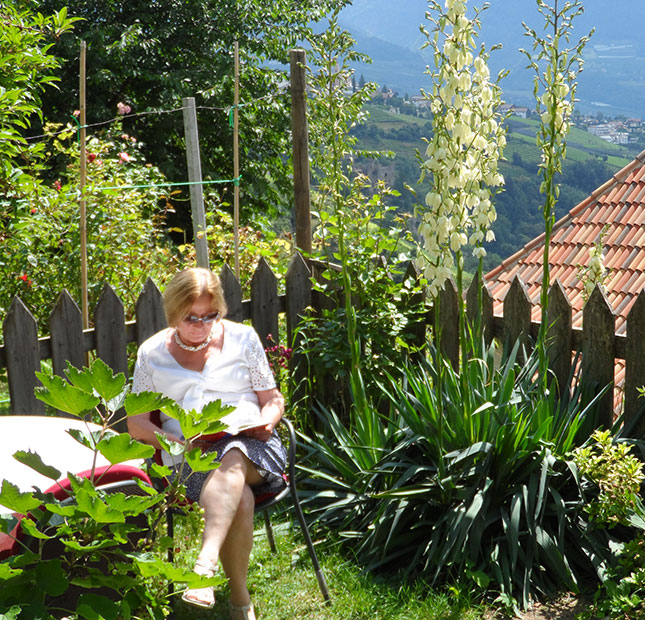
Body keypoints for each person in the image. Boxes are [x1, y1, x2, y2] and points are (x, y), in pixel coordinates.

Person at [128, 267, 286, 620]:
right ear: (173, 313)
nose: (201, 325)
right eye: (191, 318)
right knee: (239, 497)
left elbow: (273, 398)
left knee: (232, 451)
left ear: (220, 311)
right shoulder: (151, 354)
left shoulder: (243, 339)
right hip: (189, 456)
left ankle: (203, 566)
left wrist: (268, 420)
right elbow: (136, 422)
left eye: (210, 316)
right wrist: (174, 444)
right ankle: (240, 600)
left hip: (253, 447)